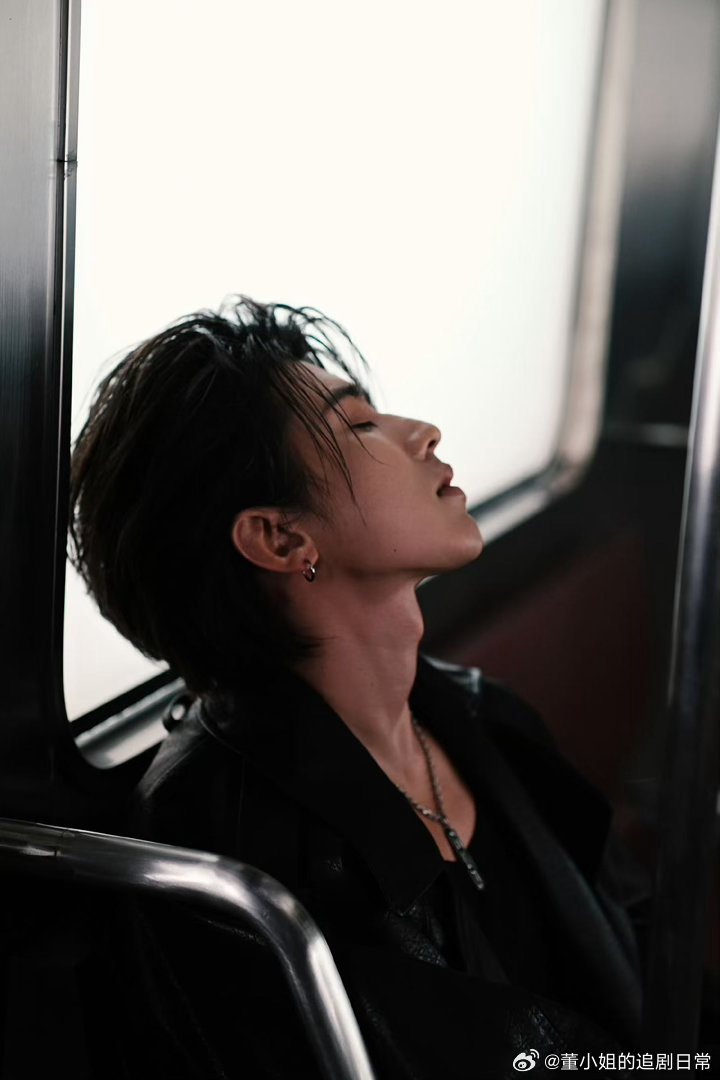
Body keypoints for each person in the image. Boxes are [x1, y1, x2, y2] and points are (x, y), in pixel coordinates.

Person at [69, 298, 649, 1079]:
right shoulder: (229, 854)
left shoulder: (482, 715)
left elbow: (643, 955)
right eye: (362, 425)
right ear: (281, 537)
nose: (424, 432)